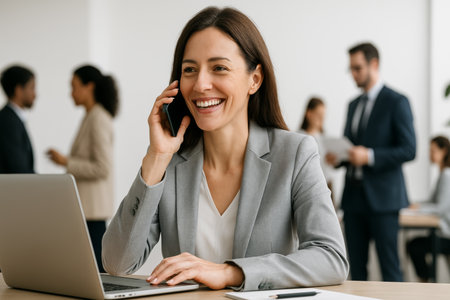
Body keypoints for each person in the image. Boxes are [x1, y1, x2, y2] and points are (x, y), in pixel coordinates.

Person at [102, 7, 348, 291]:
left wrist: (231, 273)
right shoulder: (169, 161)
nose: (201, 84)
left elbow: (331, 257)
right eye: (190, 70)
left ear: (254, 80)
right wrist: (156, 157)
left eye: (219, 68)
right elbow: (116, 262)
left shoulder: (295, 153)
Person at [326, 42, 416, 281]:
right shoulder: (353, 105)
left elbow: (409, 149)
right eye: (351, 69)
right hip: (354, 200)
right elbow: (351, 146)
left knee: (390, 269)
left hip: (384, 200)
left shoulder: (397, 101)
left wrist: (370, 156)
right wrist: (340, 158)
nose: (353, 74)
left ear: (373, 64)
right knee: (355, 270)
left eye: (357, 68)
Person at [47, 65, 119, 273]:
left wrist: (66, 162)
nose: (71, 93)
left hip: (93, 212)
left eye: (74, 87)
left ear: (89, 87)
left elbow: (102, 167)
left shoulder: (98, 118)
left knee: (95, 272)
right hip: (87, 210)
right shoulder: (91, 116)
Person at [407, 136, 450, 282]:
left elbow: (440, 208)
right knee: (414, 245)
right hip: (443, 232)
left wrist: (418, 208)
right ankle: (426, 280)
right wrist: (416, 205)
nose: (430, 154)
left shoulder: (447, 175)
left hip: (446, 234)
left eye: (433, 150)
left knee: (415, 246)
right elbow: (432, 202)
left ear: (444, 151)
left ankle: (426, 281)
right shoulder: (442, 174)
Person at [0, 65, 36, 173]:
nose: (35, 94)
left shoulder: (12, 118)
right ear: (19, 90)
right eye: (32, 88)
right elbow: (19, 169)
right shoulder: (8, 121)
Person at [299, 97, 335, 204]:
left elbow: (329, 175)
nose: (321, 119)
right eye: (318, 115)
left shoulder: (327, 140)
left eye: (323, 116)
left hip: (325, 189)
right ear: (309, 114)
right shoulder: (298, 137)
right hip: (304, 189)